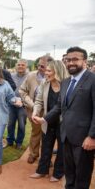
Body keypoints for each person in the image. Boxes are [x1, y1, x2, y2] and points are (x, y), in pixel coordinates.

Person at [33, 47, 95, 189]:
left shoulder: (92, 80)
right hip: (66, 136)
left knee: (82, 175)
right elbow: (59, 107)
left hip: (84, 139)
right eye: (68, 59)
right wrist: (45, 119)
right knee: (69, 173)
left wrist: (92, 136)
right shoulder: (66, 82)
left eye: (75, 59)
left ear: (84, 61)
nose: (71, 62)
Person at [30, 60, 68, 182]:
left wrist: (43, 119)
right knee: (45, 147)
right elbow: (39, 100)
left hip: (63, 123)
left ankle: (58, 173)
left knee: (62, 149)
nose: (45, 73)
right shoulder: (44, 83)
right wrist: (35, 112)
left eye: (49, 70)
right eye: (46, 70)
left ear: (57, 71)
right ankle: (42, 170)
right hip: (47, 121)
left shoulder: (67, 85)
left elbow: (60, 106)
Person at [19, 55, 53, 164]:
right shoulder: (30, 76)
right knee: (36, 133)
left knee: (49, 135)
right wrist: (32, 105)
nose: (39, 68)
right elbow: (22, 91)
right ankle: (33, 154)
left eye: (42, 66)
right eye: (38, 65)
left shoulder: (54, 77)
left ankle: (46, 158)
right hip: (34, 111)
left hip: (50, 112)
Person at [7, 59, 28, 149]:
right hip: (12, 104)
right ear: (16, 66)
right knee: (10, 124)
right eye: (19, 65)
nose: (20, 66)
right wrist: (13, 100)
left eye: (22, 65)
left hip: (23, 105)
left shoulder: (29, 76)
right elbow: (7, 89)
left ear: (26, 66)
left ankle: (19, 142)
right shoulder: (11, 76)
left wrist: (23, 102)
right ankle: (10, 140)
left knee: (22, 125)